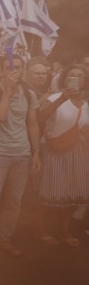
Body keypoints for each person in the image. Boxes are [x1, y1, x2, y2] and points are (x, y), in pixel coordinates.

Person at [0, 55, 41, 264]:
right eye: (8, 68)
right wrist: (6, 91)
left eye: (17, 67)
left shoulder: (29, 93)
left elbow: (32, 124)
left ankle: (4, 238)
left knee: (14, 201)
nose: (13, 71)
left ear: (24, 70)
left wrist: (36, 152)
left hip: (22, 154)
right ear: (2, 70)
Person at [36, 64, 89, 246]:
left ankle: (64, 230)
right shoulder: (54, 98)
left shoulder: (85, 103)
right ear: (65, 79)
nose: (75, 78)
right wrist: (62, 99)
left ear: (84, 81)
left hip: (77, 152)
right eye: (72, 75)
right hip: (55, 150)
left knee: (68, 195)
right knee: (50, 192)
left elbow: (85, 128)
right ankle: (41, 228)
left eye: (80, 75)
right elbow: (40, 118)